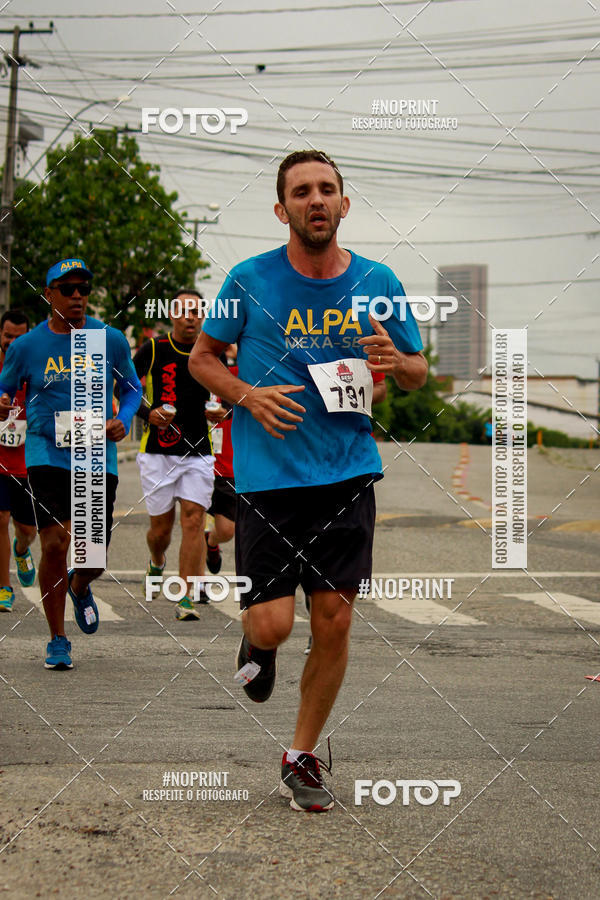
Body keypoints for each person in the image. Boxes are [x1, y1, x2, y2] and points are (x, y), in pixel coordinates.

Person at [189, 149, 427, 812]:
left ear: (344, 204)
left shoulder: (379, 280)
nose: (315, 200)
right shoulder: (248, 280)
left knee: (335, 619)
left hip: (347, 473)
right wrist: (245, 395)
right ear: (282, 209)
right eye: (301, 192)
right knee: (273, 625)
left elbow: (418, 373)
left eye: (327, 190)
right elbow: (202, 359)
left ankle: (301, 755)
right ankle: (256, 645)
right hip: (269, 479)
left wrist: (396, 361)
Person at [0, 258, 142, 669]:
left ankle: (81, 588)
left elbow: (131, 387)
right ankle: (57, 638)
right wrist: (4, 401)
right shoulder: (27, 346)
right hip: (46, 451)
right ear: (49, 294)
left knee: (93, 558)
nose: (78, 296)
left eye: (83, 289)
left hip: (97, 453)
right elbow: (6, 388)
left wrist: (124, 418)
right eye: (68, 289)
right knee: (57, 542)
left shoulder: (109, 338)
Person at [134, 290, 217, 620]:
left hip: (199, 451)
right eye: (184, 311)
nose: (190, 317)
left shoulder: (211, 351)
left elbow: (223, 389)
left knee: (194, 520)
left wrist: (222, 410)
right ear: (172, 315)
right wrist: (147, 412)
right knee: (161, 531)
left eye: (196, 311)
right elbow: (123, 384)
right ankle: (157, 561)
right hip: (158, 452)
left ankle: (185, 596)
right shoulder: (154, 348)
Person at [0, 310, 37, 611]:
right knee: (0, 519)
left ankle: (22, 550)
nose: (12, 343)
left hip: (28, 464)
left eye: (19, 337)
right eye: (7, 336)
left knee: (28, 531)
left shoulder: (35, 368)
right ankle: (4, 586)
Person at [205, 344, 238, 575]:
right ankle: (196, 587)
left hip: (230, 465)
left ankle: (212, 543)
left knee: (226, 530)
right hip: (198, 460)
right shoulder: (200, 369)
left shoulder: (246, 373)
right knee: (193, 520)